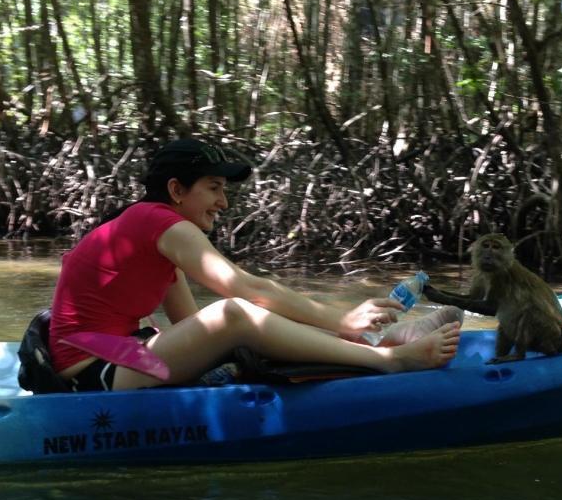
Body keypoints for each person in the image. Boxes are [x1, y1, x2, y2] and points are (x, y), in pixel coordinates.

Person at [47, 138, 461, 391]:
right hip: (91, 373)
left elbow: (195, 330)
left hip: (124, 358)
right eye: (213, 188)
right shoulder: (156, 220)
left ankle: (376, 342)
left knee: (238, 326)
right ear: (176, 190)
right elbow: (245, 290)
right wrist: (341, 318)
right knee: (234, 312)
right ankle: (390, 359)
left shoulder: (153, 240)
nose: (223, 203)